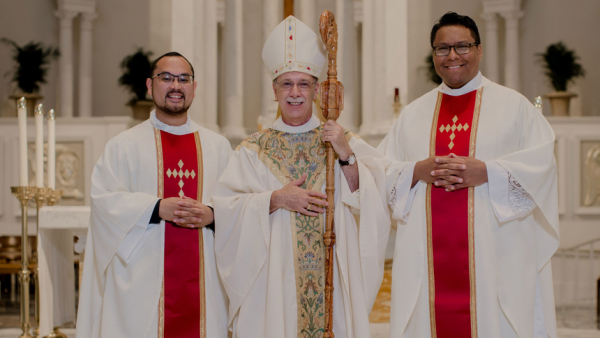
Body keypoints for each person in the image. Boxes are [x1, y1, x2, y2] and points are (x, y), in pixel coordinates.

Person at [378, 12, 559, 338]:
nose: (452, 56)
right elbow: (383, 172)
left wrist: (488, 171)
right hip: (427, 264)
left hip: (494, 263)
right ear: (433, 54)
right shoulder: (413, 115)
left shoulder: (514, 106)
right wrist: (417, 171)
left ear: (479, 49)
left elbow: (542, 164)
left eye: (462, 46)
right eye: (442, 48)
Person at [213, 16, 391, 338]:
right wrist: (275, 199)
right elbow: (226, 209)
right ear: (274, 89)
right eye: (286, 84)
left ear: (317, 89)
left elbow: (372, 198)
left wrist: (345, 153)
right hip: (273, 285)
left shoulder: (341, 139)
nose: (295, 93)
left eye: (304, 84)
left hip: (332, 276)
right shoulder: (253, 150)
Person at [76, 52, 231, 338]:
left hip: (204, 283)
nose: (176, 86)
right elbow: (103, 201)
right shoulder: (123, 146)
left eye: (184, 79)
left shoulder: (218, 148)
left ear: (194, 88)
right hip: (142, 287)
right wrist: (156, 207)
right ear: (150, 86)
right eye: (166, 78)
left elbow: (238, 206)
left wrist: (212, 215)